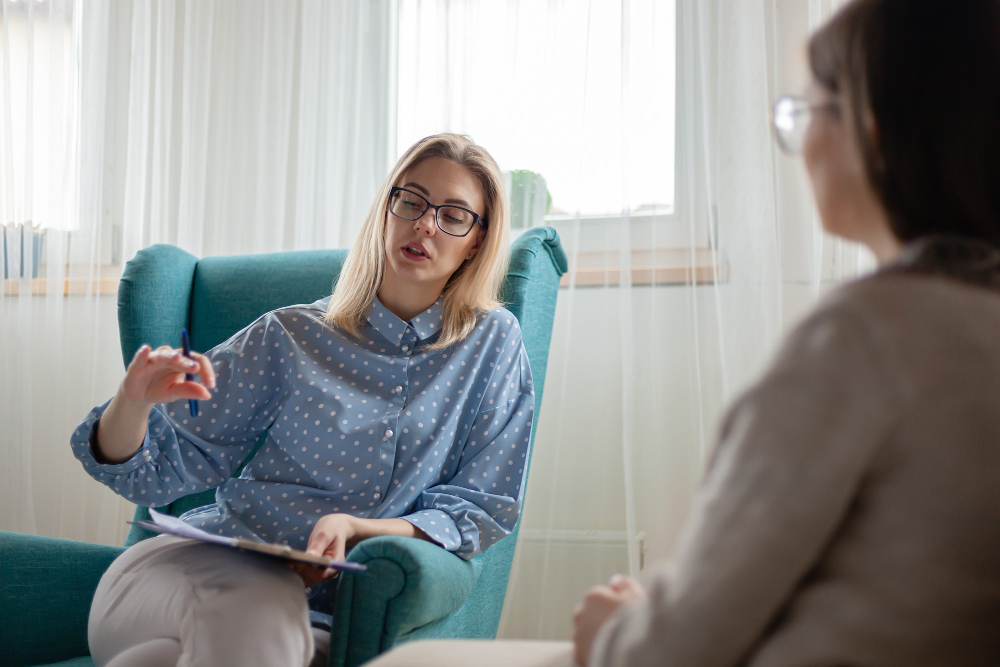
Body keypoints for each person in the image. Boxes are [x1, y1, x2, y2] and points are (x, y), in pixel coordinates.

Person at [367, 1, 1000, 665]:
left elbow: (688, 636)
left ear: (869, 130)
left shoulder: (860, 338)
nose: (798, 146)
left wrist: (618, 628)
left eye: (801, 115)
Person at [70, 133, 535, 667]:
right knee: (258, 607)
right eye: (412, 201)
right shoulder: (289, 335)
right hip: (181, 572)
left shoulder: (492, 343)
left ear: (476, 240)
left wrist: (356, 528)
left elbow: (482, 505)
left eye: (454, 215)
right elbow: (155, 471)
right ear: (388, 209)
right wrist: (132, 402)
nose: (425, 224)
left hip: (315, 621)